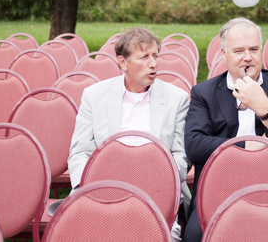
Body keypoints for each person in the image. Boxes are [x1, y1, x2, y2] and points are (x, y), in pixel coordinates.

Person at [183, 17, 268, 242]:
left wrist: (266, 110)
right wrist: (247, 143)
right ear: (224, 55)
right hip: (219, 185)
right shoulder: (203, 93)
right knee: (195, 234)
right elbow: (194, 145)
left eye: (254, 49)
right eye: (239, 51)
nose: (248, 57)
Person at [67, 27, 190, 240]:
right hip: (103, 191)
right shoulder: (94, 96)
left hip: (156, 194)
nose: (153, 63)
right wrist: (90, 187)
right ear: (123, 62)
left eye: (155, 56)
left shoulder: (176, 98)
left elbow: (180, 157)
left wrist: (155, 183)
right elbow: (79, 152)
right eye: (144, 57)